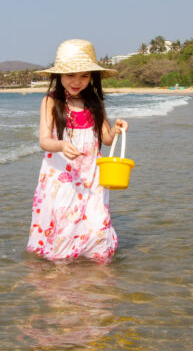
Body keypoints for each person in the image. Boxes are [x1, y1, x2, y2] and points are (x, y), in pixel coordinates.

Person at [27, 39, 128, 264]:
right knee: (64, 221)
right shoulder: (50, 102)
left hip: (91, 176)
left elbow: (106, 139)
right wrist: (61, 145)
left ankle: (98, 276)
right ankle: (62, 276)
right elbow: (44, 141)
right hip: (62, 177)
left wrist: (117, 130)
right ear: (59, 75)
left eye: (84, 76)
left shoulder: (95, 103)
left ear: (92, 77)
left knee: (96, 221)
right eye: (71, 75)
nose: (77, 81)